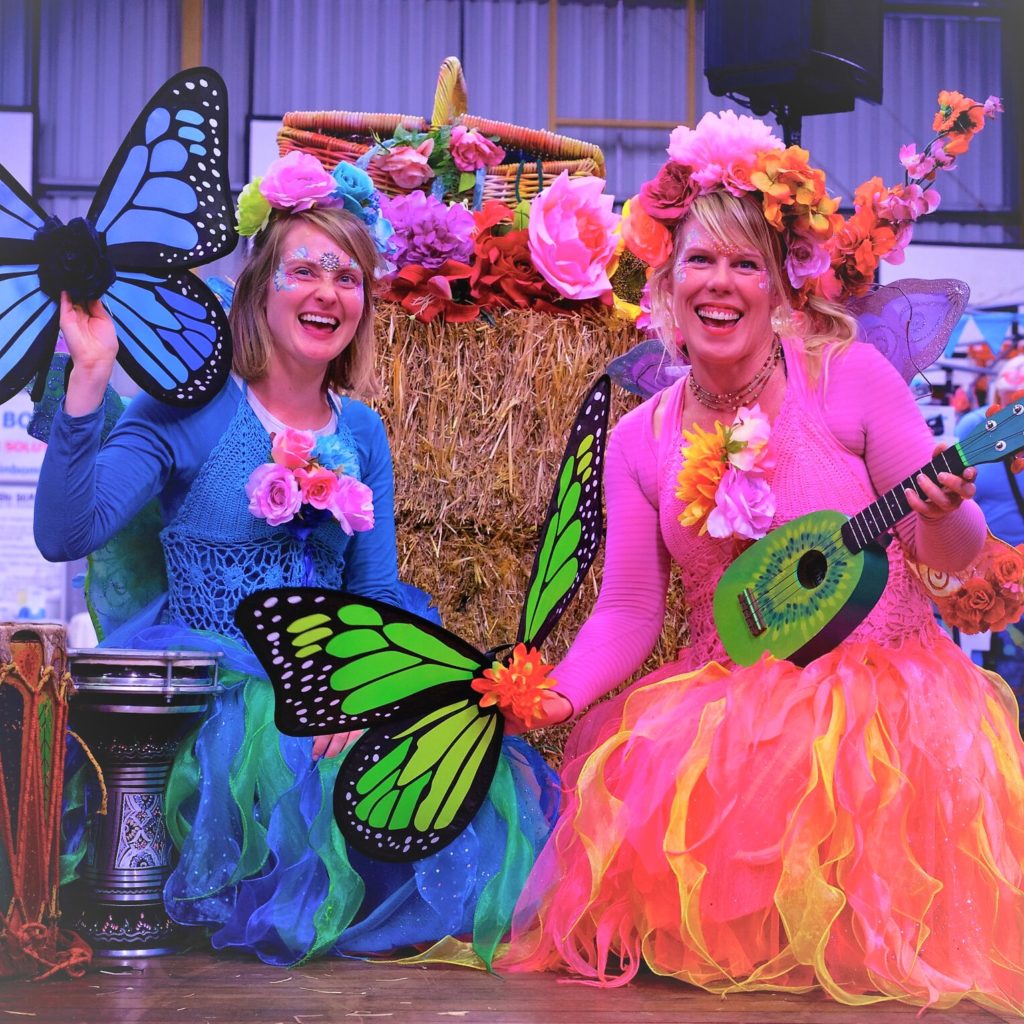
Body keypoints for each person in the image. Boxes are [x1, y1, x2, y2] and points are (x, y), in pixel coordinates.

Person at [500, 110, 1024, 1015]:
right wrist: (554, 696)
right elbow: (626, 615)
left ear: (783, 285)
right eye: (699, 259)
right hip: (723, 725)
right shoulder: (639, 440)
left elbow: (949, 557)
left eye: (746, 263)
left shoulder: (847, 379)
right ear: (664, 279)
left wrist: (953, 518)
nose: (720, 282)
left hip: (884, 723)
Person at [33, 153, 557, 967]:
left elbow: (374, 592)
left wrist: (359, 696)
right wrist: (91, 378)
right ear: (258, 288)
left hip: (332, 679)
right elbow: (67, 533)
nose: (326, 292)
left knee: (445, 775)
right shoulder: (187, 409)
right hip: (221, 690)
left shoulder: (365, 433)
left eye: (347, 277)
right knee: (276, 775)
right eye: (303, 269)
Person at [955, 354, 1024, 720]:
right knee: (1001, 673)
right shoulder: (973, 427)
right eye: (1010, 398)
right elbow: (953, 497)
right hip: (993, 580)